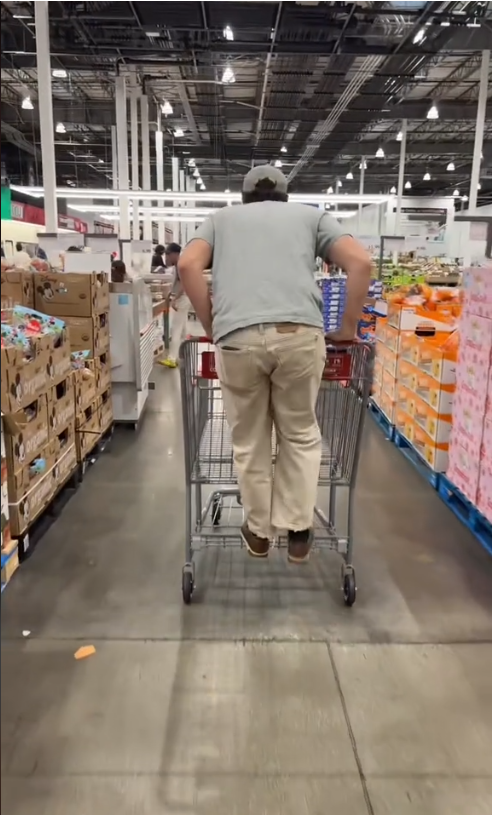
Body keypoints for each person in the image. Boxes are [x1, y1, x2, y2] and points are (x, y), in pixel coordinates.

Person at [177, 165, 371, 564]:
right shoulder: (311, 216)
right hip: (298, 334)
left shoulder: (220, 219)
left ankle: (259, 532)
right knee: (299, 432)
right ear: (285, 196)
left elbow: (187, 266)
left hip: (237, 341)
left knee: (249, 439)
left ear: (245, 196)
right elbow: (361, 264)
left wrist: (216, 325)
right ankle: (298, 529)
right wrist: (348, 326)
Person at [159, 243, 190, 369]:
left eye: (168, 254)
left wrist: (174, 299)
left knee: (175, 330)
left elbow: (183, 283)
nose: (167, 257)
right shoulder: (180, 264)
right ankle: (183, 355)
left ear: (175, 254)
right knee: (182, 328)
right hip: (185, 298)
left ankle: (172, 358)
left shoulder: (180, 265)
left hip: (182, 298)